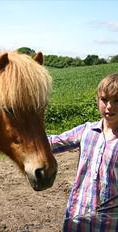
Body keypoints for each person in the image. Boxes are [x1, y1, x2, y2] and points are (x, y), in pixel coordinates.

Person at [48, 73, 118, 231]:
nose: (109, 106)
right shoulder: (87, 130)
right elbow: (53, 142)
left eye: (117, 101)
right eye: (104, 99)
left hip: (110, 222)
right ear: (97, 99)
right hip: (78, 214)